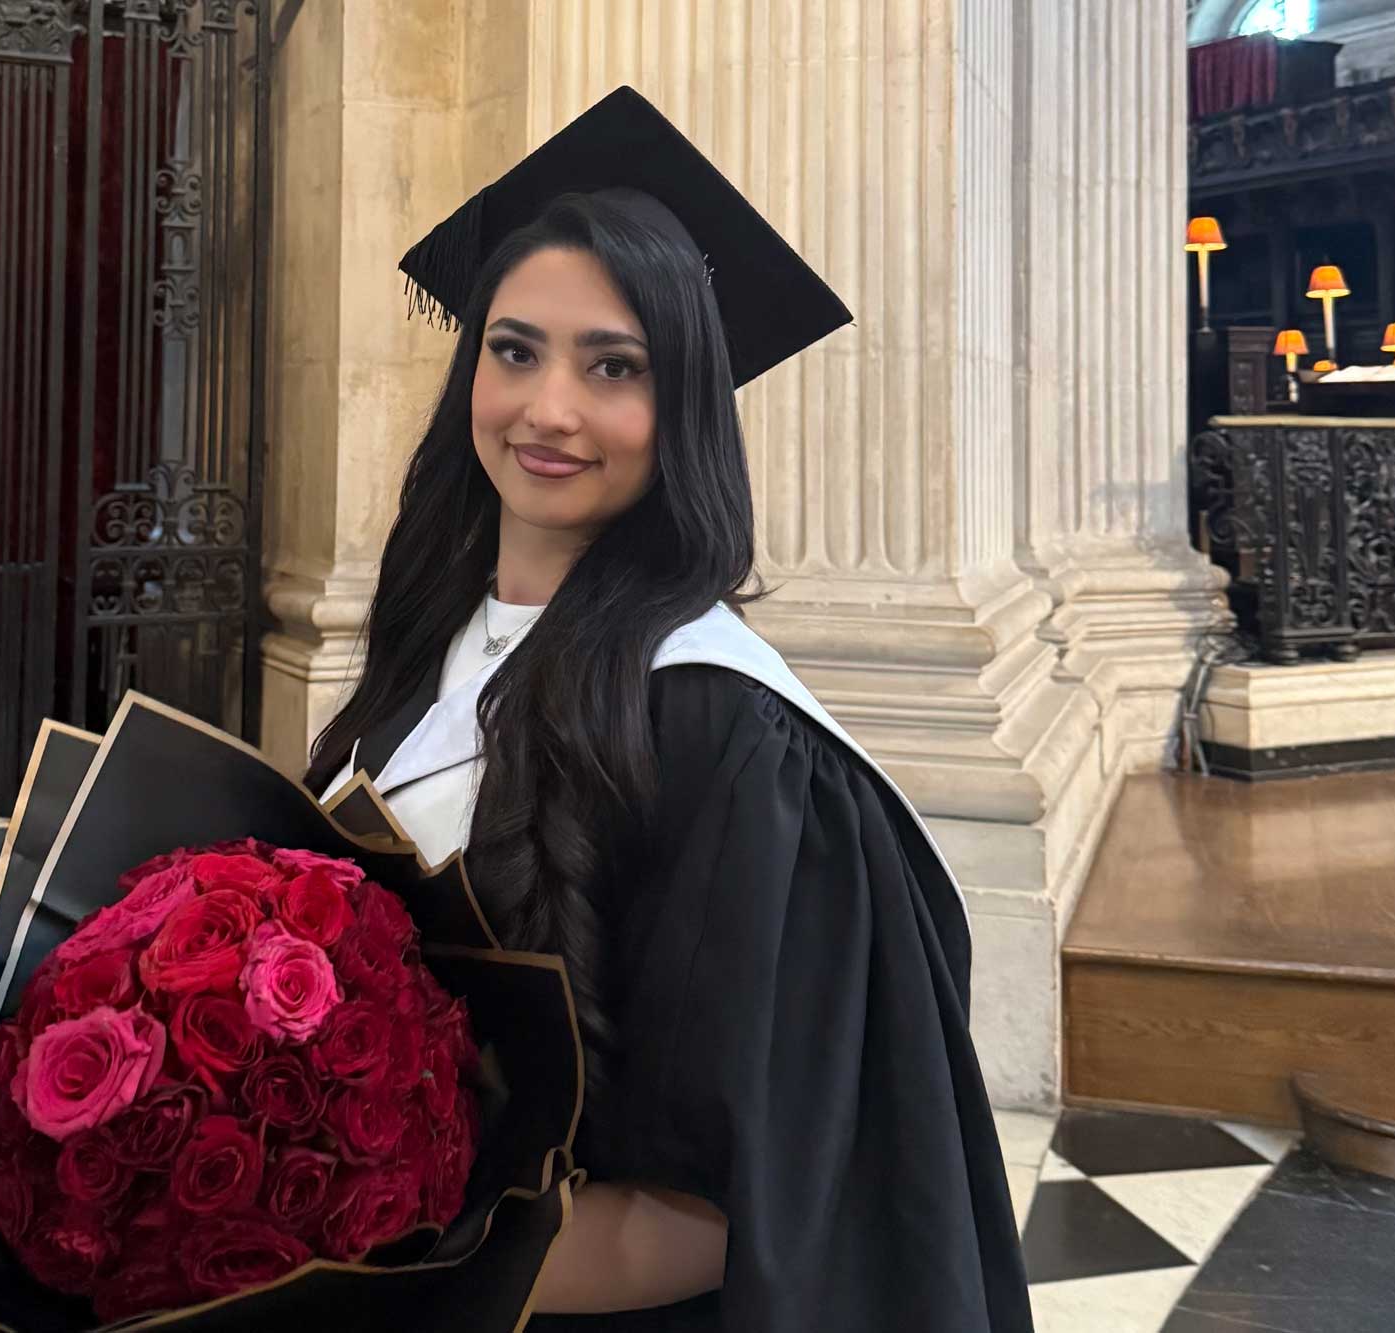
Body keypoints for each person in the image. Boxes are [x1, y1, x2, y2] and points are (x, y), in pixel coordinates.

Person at [304, 86, 1033, 1332]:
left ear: (682, 405)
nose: (547, 409)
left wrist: (353, 1268)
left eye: (614, 367)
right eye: (513, 350)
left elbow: (736, 1209)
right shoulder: (432, 646)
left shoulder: (722, 731)